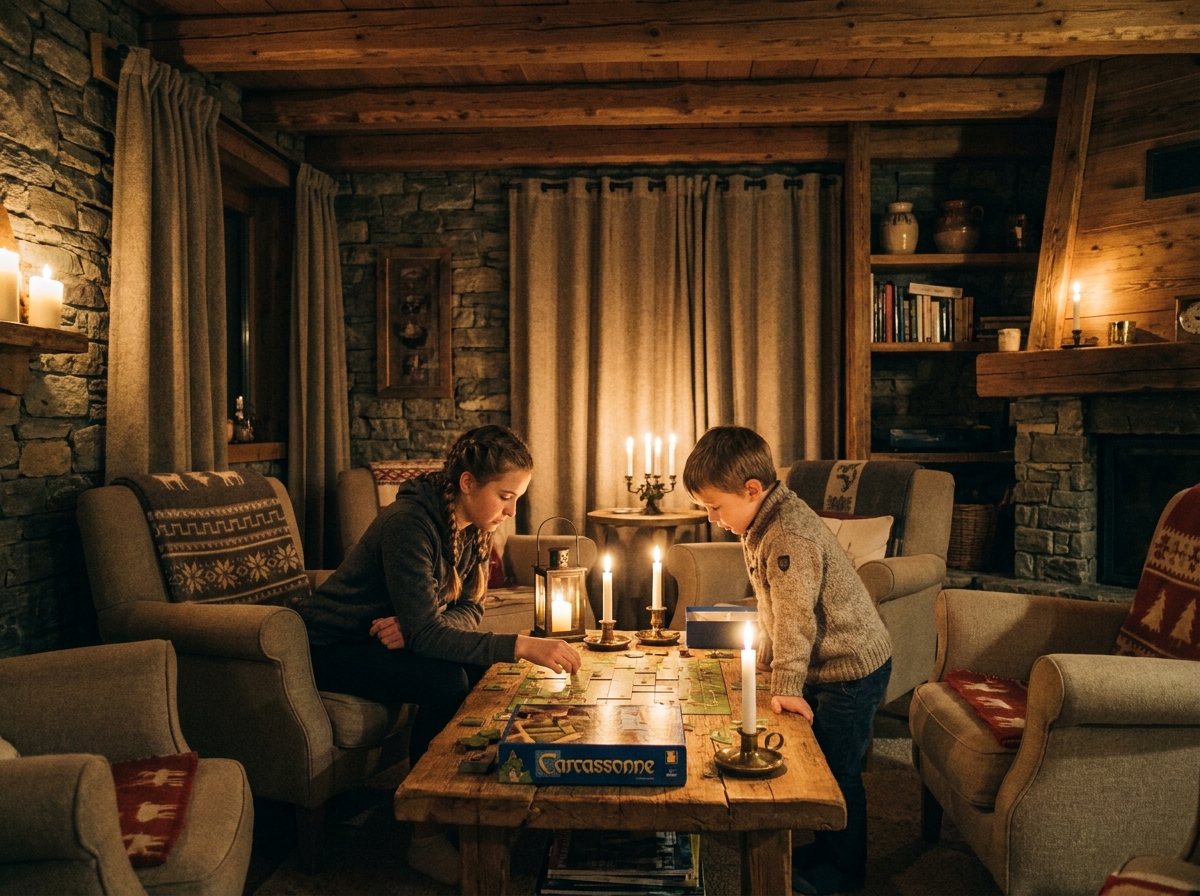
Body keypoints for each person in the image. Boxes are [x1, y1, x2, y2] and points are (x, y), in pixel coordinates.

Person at [298, 424, 581, 885]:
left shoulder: (474, 529)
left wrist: (419, 626)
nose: (511, 511)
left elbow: (470, 608)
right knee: (445, 680)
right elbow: (430, 634)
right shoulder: (410, 523)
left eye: (517, 499)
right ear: (467, 483)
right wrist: (519, 645)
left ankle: (474, 801)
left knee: (476, 669)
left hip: (379, 639)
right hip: (329, 645)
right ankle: (424, 837)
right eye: (505, 497)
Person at [682, 426, 892, 896]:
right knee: (823, 761)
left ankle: (846, 872)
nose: (712, 518)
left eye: (715, 507)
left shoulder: (788, 534)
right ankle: (826, 850)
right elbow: (771, 603)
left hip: (851, 669)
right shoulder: (760, 522)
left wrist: (787, 685)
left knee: (839, 771)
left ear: (751, 490)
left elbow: (796, 618)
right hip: (826, 663)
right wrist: (767, 657)